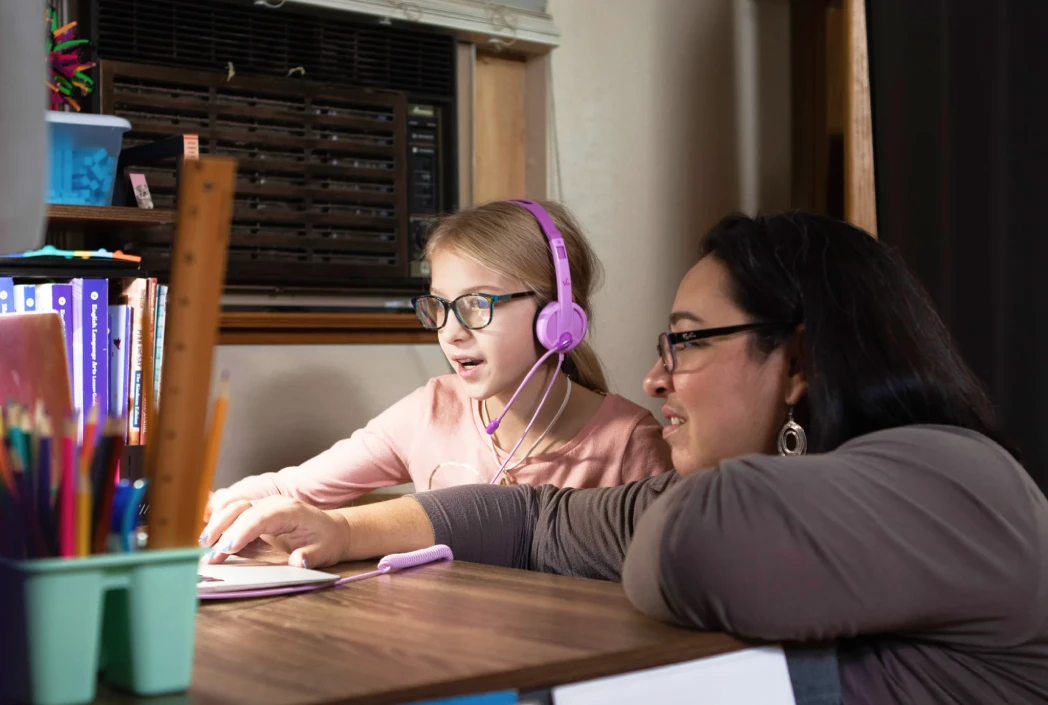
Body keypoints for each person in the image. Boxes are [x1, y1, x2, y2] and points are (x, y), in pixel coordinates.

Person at [201, 212, 1048, 705]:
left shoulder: (958, 476)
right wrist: (342, 532)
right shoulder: (758, 494)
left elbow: (696, 542)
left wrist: (647, 516)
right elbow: (524, 514)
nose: (654, 376)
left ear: (800, 363)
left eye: (685, 342)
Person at [206, 200, 672, 520]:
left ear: (558, 316)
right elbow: (293, 488)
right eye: (440, 306)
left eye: (477, 303)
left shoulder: (631, 444)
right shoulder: (430, 412)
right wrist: (192, 512)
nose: (450, 331)